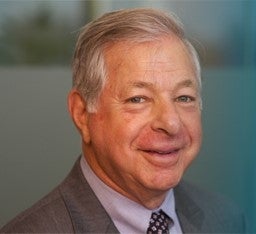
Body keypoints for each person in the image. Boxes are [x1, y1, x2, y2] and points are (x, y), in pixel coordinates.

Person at [0, 8, 245, 234]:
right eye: (138, 99)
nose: (171, 123)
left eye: (184, 97)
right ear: (82, 114)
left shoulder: (226, 218)